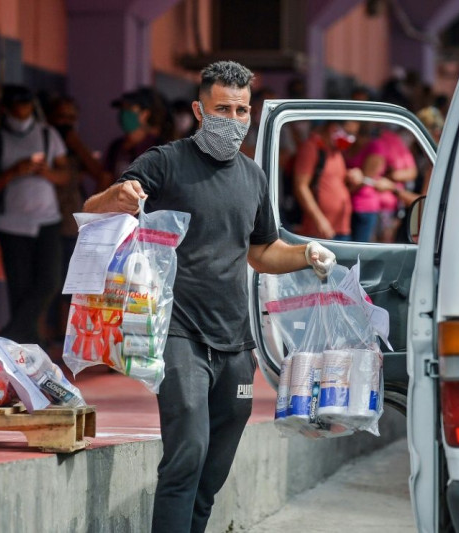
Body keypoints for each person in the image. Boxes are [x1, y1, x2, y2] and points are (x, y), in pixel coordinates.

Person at [83, 60, 336, 533]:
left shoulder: (252, 177)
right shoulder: (166, 161)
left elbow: (261, 252)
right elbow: (95, 208)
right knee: (187, 453)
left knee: (214, 468)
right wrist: (116, 198)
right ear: (200, 110)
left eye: (242, 110)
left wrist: (307, 254)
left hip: (235, 341)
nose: (234, 120)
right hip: (178, 330)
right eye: (223, 109)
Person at [0, 85, 69, 345]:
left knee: (50, 281)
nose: (23, 110)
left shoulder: (47, 135)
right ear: (6, 108)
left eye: (27, 104)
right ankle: (29, 343)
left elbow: (65, 175)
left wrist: (46, 173)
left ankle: (10, 333)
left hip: (47, 219)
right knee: (19, 287)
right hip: (12, 223)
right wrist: (14, 171)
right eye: (17, 105)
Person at [46, 95, 113, 342]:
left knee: (70, 281)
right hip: (47, 220)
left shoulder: (75, 150)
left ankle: (66, 336)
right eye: (61, 117)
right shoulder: (45, 143)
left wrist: (76, 145)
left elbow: (100, 175)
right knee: (49, 281)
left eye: (71, 118)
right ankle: (48, 333)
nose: (66, 123)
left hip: (73, 224)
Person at [292, 120, 353, 240]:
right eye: (349, 132)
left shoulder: (335, 151)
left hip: (341, 227)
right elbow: (301, 186)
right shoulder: (311, 147)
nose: (351, 138)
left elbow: (336, 183)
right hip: (319, 231)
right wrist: (319, 220)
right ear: (333, 128)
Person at [104, 89, 162, 180]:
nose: (124, 114)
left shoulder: (158, 148)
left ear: (145, 114)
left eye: (129, 109)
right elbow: (105, 181)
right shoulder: (116, 147)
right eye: (122, 109)